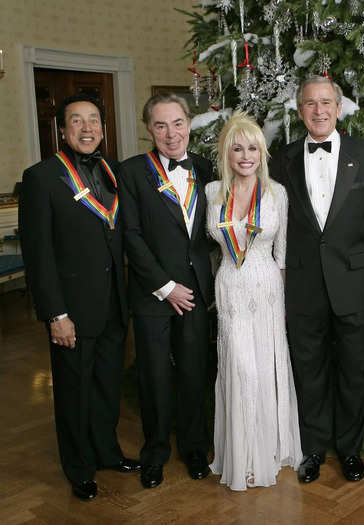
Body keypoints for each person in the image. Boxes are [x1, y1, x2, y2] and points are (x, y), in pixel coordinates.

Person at [270, 75, 364, 484]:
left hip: (356, 284)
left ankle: (350, 449)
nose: (319, 111)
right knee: (309, 369)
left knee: (354, 370)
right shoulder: (281, 158)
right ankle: (313, 447)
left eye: (326, 103)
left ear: (339, 108)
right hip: (303, 285)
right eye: (310, 103)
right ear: (299, 110)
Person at [19, 93, 140, 501]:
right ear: (62, 130)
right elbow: (39, 255)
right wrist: (56, 313)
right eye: (77, 121)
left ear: (103, 129)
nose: (87, 129)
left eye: (94, 120)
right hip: (72, 309)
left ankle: (107, 452)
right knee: (74, 391)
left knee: (107, 386)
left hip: (113, 304)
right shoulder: (41, 178)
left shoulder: (113, 171)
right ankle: (79, 467)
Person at [119, 93, 214, 489]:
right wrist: (164, 285)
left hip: (196, 292)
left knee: (195, 371)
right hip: (153, 293)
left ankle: (194, 449)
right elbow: (132, 235)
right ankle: (155, 452)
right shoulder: (131, 172)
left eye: (177, 123)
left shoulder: (208, 168)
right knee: (154, 377)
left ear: (189, 124)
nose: (171, 133)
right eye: (160, 125)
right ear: (149, 130)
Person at [206, 111, 303, 490]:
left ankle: (269, 450)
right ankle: (241, 454)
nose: (245, 155)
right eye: (237, 148)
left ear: (262, 152)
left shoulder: (276, 192)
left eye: (252, 148)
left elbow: (282, 254)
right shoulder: (214, 192)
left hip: (266, 287)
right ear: (226, 154)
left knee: (265, 365)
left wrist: (281, 299)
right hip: (230, 284)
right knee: (238, 367)